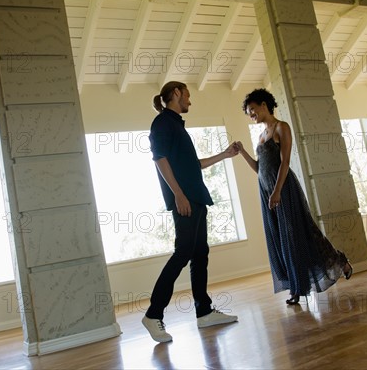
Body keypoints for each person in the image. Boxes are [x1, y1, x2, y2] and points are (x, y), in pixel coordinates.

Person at [234, 88, 353, 305]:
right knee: (281, 239)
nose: (251, 115)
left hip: (284, 189)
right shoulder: (261, 136)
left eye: (252, 110)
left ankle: (337, 263)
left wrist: (278, 191)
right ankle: (295, 287)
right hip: (266, 192)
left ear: (263, 104)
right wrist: (242, 153)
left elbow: (285, 162)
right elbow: (259, 168)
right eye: (248, 112)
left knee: (302, 233)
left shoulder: (282, 127)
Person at [142, 81, 238, 343]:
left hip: (196, 198)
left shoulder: (176, 126)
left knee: (200, 253)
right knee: (183, 252)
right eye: (187, 95)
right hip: (185, 199)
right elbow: (159, 159)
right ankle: (153, 315)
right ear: (176, 94)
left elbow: (194, 165)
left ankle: (204, 312)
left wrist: (224, 155)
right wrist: (179, 194)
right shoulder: (162, 123)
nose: (190, 101)